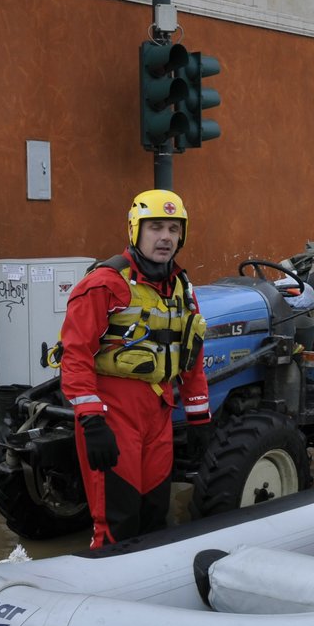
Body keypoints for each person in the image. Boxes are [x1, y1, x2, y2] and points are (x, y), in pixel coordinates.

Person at [59, 189, 211, 548]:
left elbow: (191, 358)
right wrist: (91, 420)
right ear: (135, 230)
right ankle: (102, 591)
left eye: (174, 229)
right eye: (156, 227)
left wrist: (200, 420)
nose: (166, 238)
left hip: (158, 414)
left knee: (155, 515)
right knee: (117, 520)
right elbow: (75, 355)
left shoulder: (182, 290)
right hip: (113, 415)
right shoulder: (104, 284)